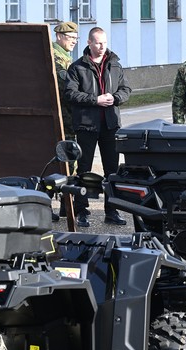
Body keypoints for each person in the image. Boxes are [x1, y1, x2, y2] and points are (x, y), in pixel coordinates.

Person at [65, 26, 131, 227]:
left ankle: (111, 211)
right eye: (97, 43)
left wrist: (115, 97)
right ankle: (82, 211)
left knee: (111, 169)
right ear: (89, 43)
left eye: (104, 42)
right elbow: (70, 94)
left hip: (110, 125)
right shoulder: (77, 67)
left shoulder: (115, 65)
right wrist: (96, 100)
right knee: (83, 168)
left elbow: (126, 89)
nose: (102, 47)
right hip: (87, 125)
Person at [51, 21, 79, 221]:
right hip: (60, 120)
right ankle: (48, 204)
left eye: (76, 39)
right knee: (59, 162)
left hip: (68, 120)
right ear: (59, 36)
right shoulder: (56, 58)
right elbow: (66, 88)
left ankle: (64, 206)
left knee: (69, 162)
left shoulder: (66, 58)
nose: (74, 42)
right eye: (71, 38)